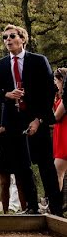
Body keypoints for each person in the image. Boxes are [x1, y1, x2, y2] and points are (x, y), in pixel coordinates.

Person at [0, 24, 59, 216]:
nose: (8, 40)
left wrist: (39, 119)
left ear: (22, 38)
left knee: (46, 164)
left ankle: (56, 209)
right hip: (14, 119)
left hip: (37, 117)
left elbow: (49, 91)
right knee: (22, 165)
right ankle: (31, 207)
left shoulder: (38, 61)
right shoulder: (2, 64)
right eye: (5, 38)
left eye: (12, 36)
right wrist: (8, 94)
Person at [53, 68, 67, 201]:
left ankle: (55, 204)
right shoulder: (60, 96)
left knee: (57, 172)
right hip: (60, 134)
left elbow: (56, 116)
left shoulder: (65, 99)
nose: (55, 83)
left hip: (65, 136)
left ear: (62, 80)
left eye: (56, 80)